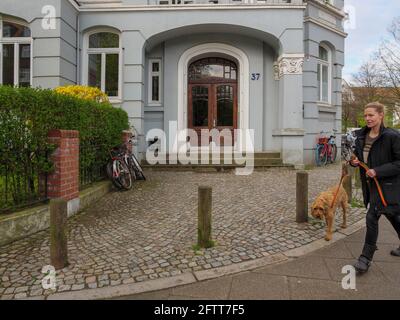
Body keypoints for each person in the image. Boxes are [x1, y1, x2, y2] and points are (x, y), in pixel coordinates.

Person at [350, 102, 400, 273]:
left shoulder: (392, 136)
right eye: (365, 115)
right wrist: (354, 162)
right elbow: (358, 157)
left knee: (372, 217)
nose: (367, 118)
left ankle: (365, 258)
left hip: (389, 186)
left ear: (380, 115)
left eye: (371, 115)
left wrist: (377, 171)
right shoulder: (361, 136)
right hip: (371, 186)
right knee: (393, 216)